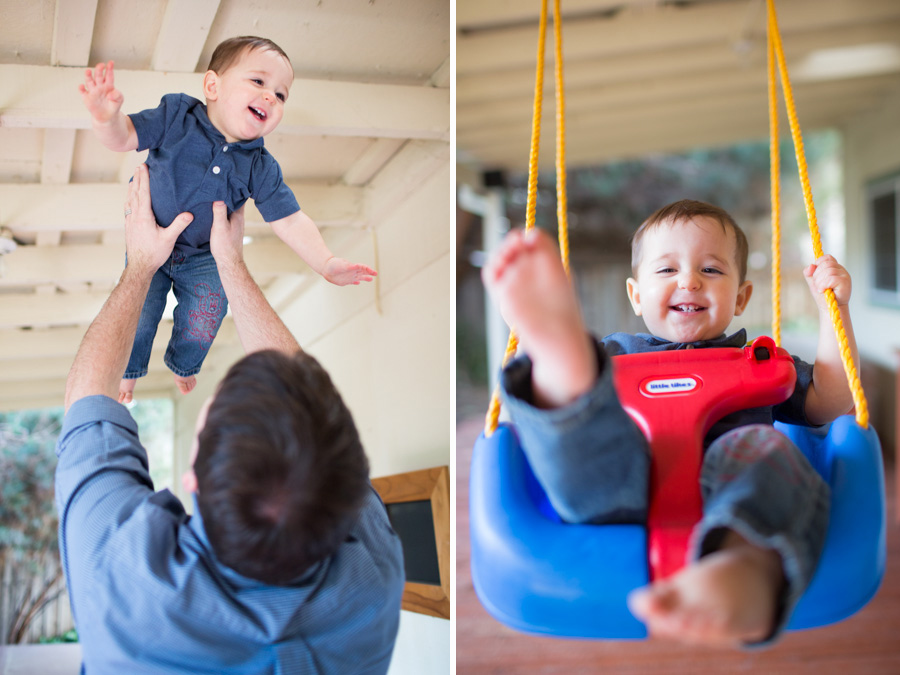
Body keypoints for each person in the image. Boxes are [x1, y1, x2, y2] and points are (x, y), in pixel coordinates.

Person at [56, 164, 404, 674]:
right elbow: (88, 407)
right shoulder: (371, 581)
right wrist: (229, 263)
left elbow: (87, 400)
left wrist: (139, 267)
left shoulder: (120, 572)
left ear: (191, 479)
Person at [481, 199, 858, 647]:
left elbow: (829, 407)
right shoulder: (612, 358)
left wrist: (833, 313)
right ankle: (555, 360)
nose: (689, 281)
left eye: (712, 270)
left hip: (731, 500)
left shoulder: (758, 359)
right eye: (666, 271)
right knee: (585, 424)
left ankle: (746, 567)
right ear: (636, 295)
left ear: (740, 298)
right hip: (617, 481)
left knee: (761, 447)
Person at [79, 36, 377, 403]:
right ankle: (128, 370)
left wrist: (325, 262)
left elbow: (291, 220)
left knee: (207, 316)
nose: (271, 96)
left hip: (204, 256)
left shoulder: (260, 166)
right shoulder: (177, 117)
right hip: (151, 238)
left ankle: (184, 364)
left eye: (281, 95)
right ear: (212, 86)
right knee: (140, 312)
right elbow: (124, 137)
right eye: (258, 82)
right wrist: (105, 118)